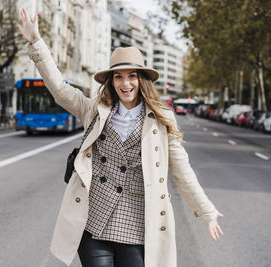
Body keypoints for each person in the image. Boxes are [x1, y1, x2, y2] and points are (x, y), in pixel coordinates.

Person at [18, 8, 223, 267]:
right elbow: (59, 89)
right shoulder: (94, 110)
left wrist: (206, 211)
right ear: (111, 81)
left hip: (138, 223)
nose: (125, 83)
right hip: (94, 219)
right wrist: (36, 43)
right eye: (118, 76)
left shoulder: (162, 120)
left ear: (142, 80)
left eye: (132, 76)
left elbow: (183, 171)